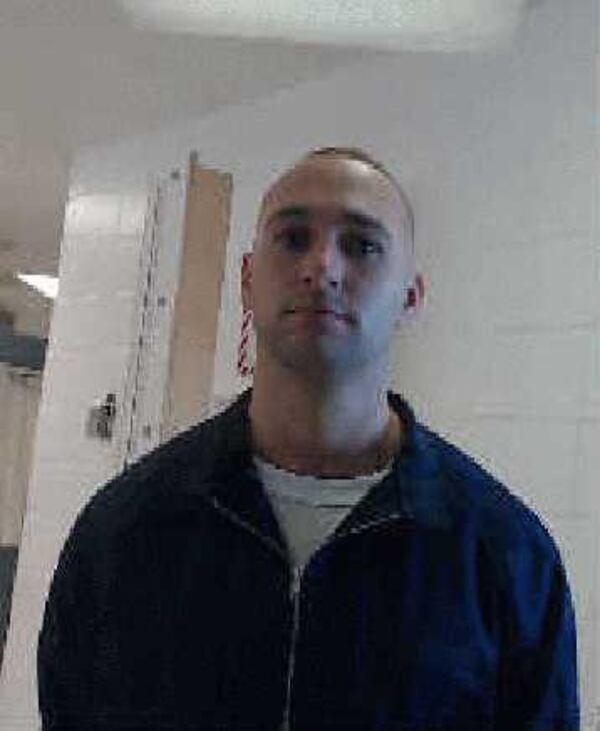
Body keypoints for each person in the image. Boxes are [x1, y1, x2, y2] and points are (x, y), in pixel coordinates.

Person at [37, 146, 580, 730]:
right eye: (294, 238)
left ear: (410, 298)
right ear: (248, 280)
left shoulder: (506, 558)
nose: (322, 265)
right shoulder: (123, 531)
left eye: (362, 245)